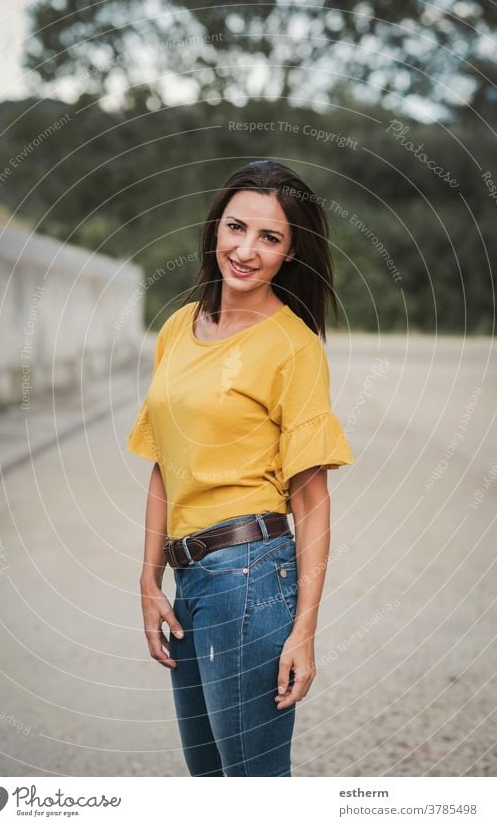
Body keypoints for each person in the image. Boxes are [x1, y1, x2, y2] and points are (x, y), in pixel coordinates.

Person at [127, 159, 355, 777]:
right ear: (214, 229)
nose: (245, 250)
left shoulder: (294, 347)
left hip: (250, 579)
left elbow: (311, 502)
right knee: (209, 784)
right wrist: (149, 583)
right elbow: (163, 468)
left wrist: (305, 630)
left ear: (290, 252)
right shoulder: (177, 328)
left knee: (251, 789)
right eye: (236, 227)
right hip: (187, 582)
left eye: (269, 238)